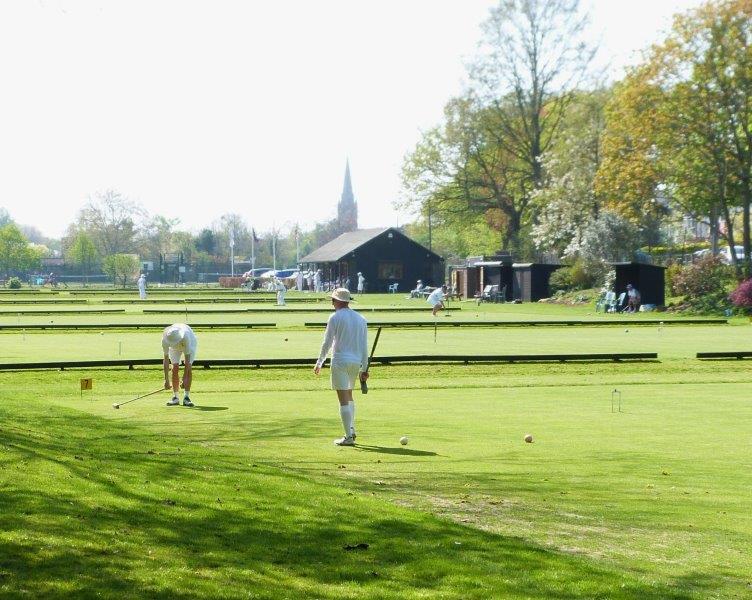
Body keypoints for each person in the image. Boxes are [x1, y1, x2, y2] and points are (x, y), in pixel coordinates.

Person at [313, 288, 369, 446]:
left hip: (340, 361)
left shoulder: (335, 317)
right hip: (355, 361)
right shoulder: (361, 318)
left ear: (337, 301)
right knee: (349, 395)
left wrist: (319, 362)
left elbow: (327, 342)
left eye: (333, 300)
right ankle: (351, 430)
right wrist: (364, 368)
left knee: (343, 398)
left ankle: (348, 436)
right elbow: (364, 346)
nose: (332, 302)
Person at [162, 323, 197, 407]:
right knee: (174, 368)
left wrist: (184, 378)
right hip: (173, 349)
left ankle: (186, 397)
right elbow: (166, 360)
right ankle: (175, 397)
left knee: (189, 369)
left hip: (190, 344)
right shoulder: (165, 340)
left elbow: (187, 360)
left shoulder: (186, 337)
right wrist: (166, 379)